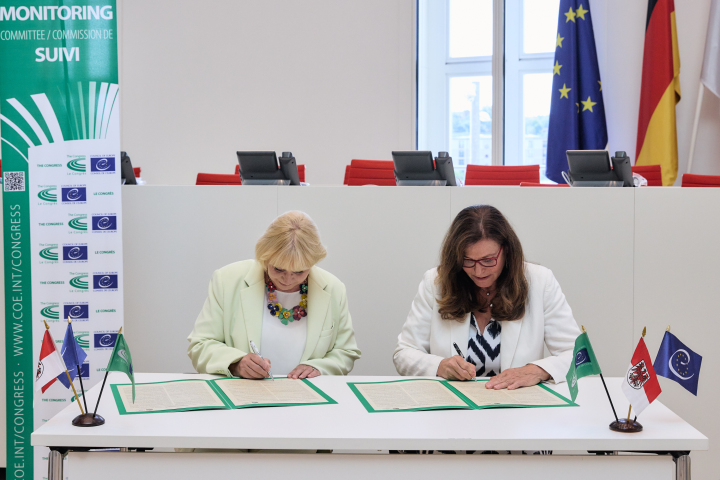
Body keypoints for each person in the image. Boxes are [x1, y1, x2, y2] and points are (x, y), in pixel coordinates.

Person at [393, 205, 580, 389]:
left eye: (488, 260)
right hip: (451, 409)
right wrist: (439, 366)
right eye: (468, 261)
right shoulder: (436, 282)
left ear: (506, 251)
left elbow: (579, 355)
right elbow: (404, 354)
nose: (479, 271)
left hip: (518, 411)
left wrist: (538, 370)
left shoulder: (540, 282)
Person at [188, 211, 361, 379]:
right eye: (278, 269)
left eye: (299, 272)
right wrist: (236, 363)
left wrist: (318, 368)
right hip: (244, 399)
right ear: (265, 257)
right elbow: (200, 344)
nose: (287, 279)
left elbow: (346, 352)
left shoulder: (333, 289)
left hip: (309, 399)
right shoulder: (227, 280)